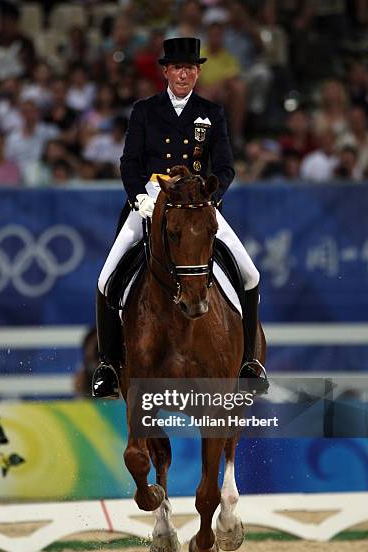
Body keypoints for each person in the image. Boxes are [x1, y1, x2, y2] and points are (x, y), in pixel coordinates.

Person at [92, 37, 267, 399]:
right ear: (166, 71)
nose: (184, 73)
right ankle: (108, 365)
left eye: (190, 68)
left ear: (198, 71)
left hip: (199, 205)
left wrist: (211, 199)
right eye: (177, 67)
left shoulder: (212, 112)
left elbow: (225, 167)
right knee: (106, 278)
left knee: (250, 274)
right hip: (151, 199)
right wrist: (138, 196)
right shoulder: (144, 110)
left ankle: (249, 362)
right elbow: (130, 162)